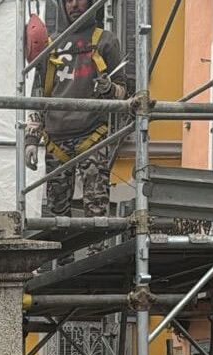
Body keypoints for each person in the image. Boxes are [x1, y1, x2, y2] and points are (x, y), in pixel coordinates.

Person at [25, 0, 128, 219]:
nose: (74, 5)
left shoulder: (105, 41)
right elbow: (38, 96)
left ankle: (98, 254)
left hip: (92, 137)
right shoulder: (50, 44)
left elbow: (123, 94)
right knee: (57, 217)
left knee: (97, 214)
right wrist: (31, 139)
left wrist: (109, 89)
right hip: (56, 139)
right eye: (68, 0)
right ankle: (63, 255)